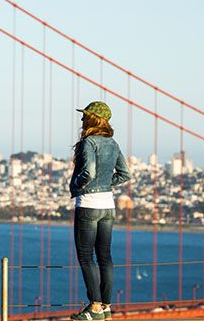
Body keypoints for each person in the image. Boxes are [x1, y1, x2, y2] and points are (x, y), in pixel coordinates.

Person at [69, 101, 131, 321]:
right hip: (108, 205)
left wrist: (78, 183)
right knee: (105, 257)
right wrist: (106, 184)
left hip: (88, 204)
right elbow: (125, 174)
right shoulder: (112, 143)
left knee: (86, 257)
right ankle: (106, 306)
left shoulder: (88, 142)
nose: (82, 119)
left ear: (92, 119)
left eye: (85, 116)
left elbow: (89, 171)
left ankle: (94, 307)